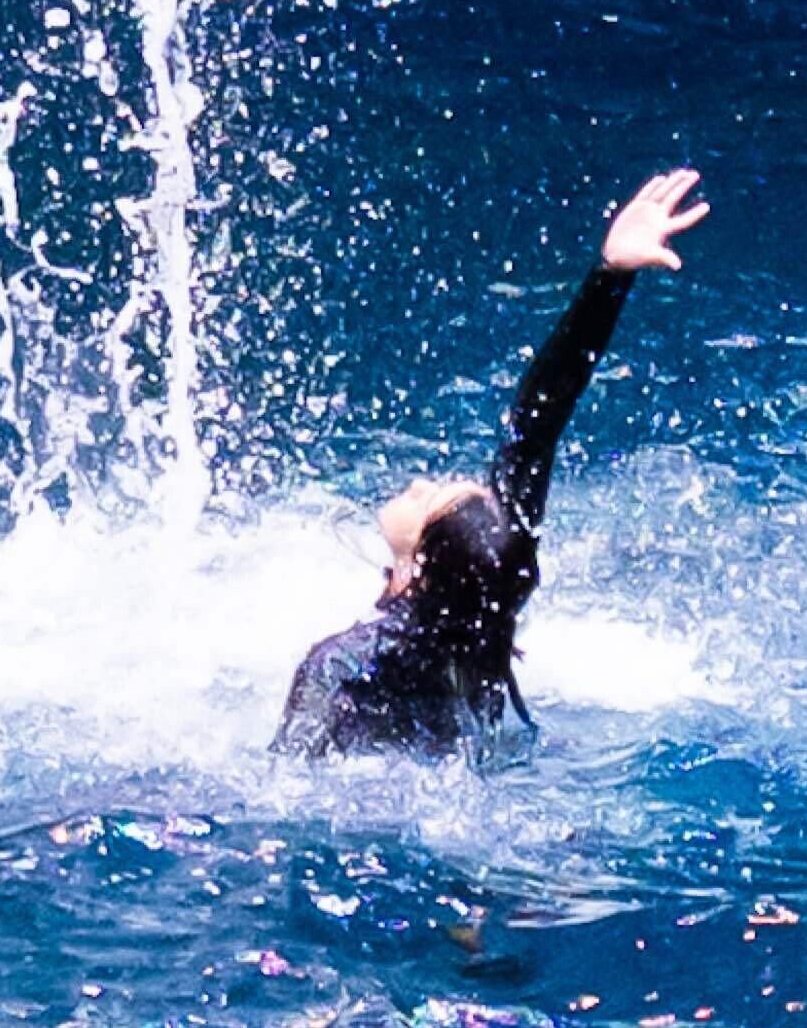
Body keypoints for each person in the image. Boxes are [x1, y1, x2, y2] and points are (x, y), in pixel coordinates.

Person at [275, 168, 711, 764]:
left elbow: (284, 778)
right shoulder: (487, 600)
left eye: (427, 501)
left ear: (419, 567)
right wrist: (611, 276)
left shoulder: (344, 664)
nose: (419, 483)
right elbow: (538, 422)